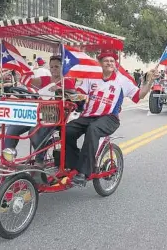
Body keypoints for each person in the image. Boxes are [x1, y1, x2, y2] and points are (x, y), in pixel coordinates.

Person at [65, 51, 159, 185]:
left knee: (93, 129)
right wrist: (74, 97)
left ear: (115, 64)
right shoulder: (91, 77)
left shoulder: (122, 81)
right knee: (66, 130)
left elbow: (140, 96)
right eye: (106, 61)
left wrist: (150, 82)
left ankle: (84, 172)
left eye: (112, 61)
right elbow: (80, 93)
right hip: (88, 116)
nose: (109, 63)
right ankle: (74, 163)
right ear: (100, 63)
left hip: (109, 118)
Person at [4, 56, 75, 164]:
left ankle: (39, 161)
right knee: (12, 129)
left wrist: (60, 89)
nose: (54, 69)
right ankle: (8, 158)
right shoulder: (45, 79)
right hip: (36, 111)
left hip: (53, 114)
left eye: (57, 66)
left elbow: (73, 95)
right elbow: (30, 82)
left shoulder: (67, 82)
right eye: (51, 67)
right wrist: (22, 75)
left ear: (63, 67)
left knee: (34, 131)